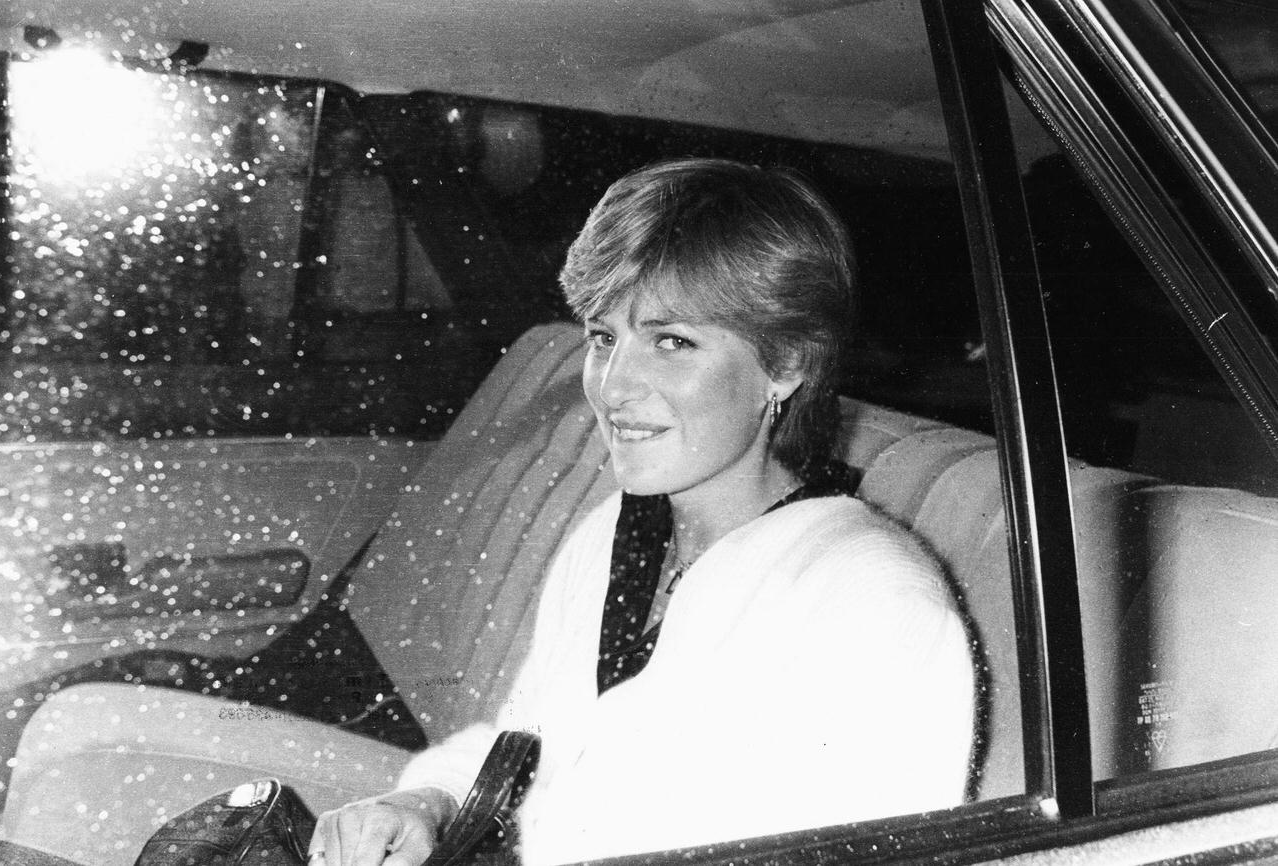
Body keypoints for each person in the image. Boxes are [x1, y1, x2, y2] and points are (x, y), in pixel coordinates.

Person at [309, 158, 975, 866]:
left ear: (786, 364)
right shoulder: (620, 532)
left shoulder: (870, 600)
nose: (614, 385)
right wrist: (425, 803)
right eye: (603, 338)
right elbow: (529, 746)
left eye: (672, 342)